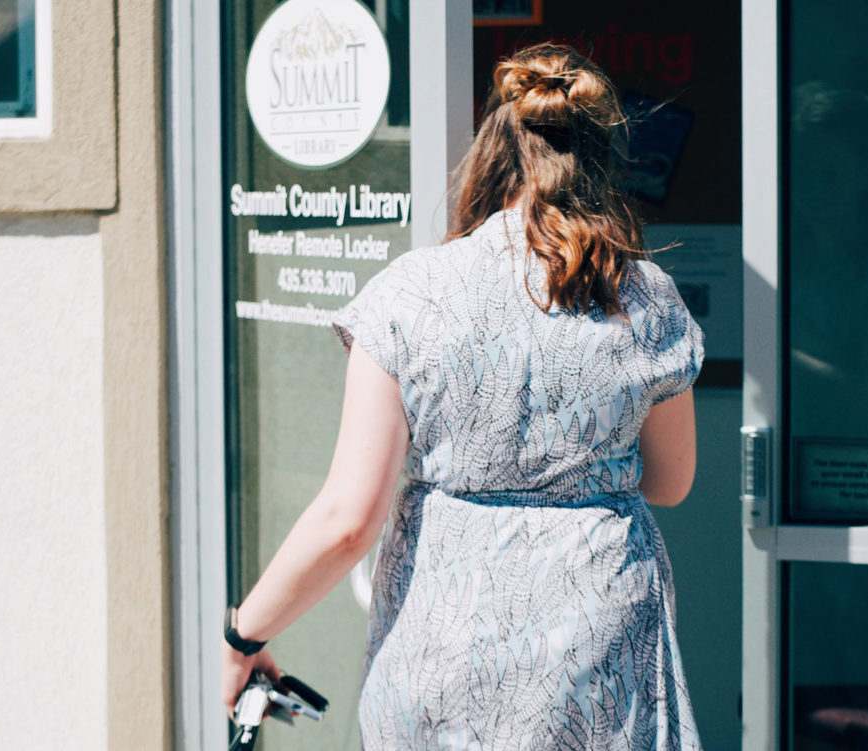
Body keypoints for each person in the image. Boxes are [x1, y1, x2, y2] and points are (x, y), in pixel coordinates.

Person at [222, 43, 704, 750]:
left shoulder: (410, 294)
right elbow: (671, 482)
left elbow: (349, 518)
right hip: (599, 663)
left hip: (445, 657)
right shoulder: (645, 297)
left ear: (491, 154)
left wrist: (246, 631)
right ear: (599, 165)